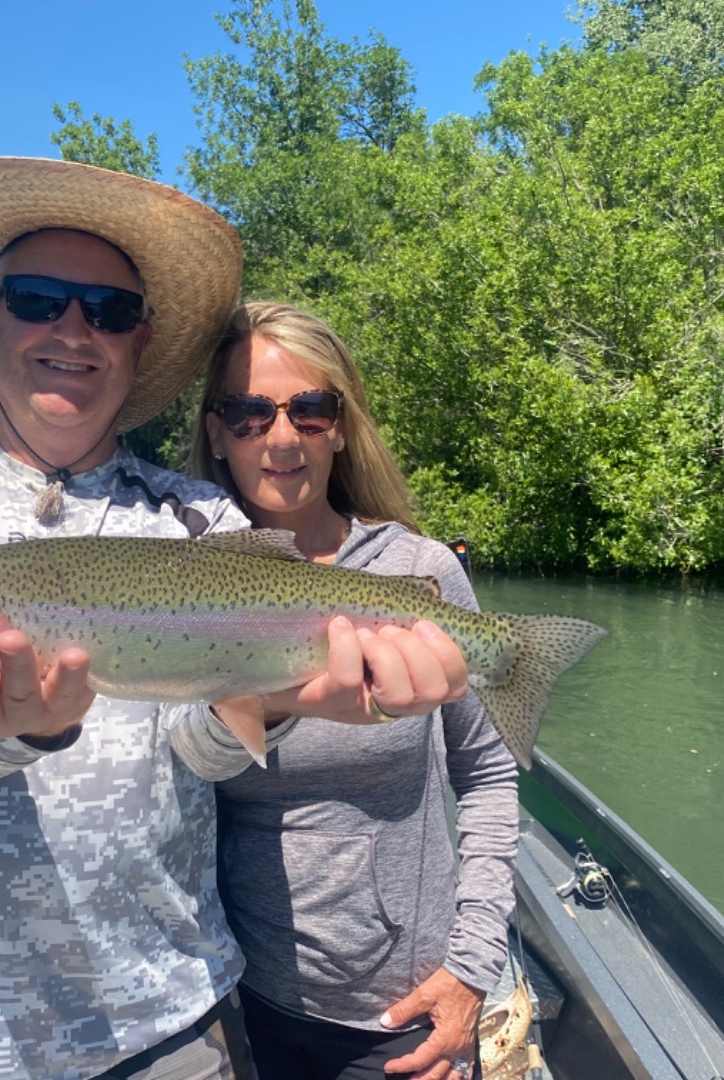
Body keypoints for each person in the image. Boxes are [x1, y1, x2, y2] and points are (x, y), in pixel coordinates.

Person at [0, 157, 471, 1080]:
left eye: (110, 310)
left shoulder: (199, 517)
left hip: (172, 1017)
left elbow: (204, 751)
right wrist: (6, 733)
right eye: (38, 297)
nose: (73, 330)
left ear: (139, 341)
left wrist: (274, 699)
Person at [167, 302, 519, 1080]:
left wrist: (471, 968)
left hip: (399, 1010)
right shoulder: (177, 577)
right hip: (231, 998)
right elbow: (154, 756)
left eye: (311, 409)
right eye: (250, 413)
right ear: (217, 431)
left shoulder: (418, 572)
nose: (283, 437)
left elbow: (490, 777)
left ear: (344, 424)